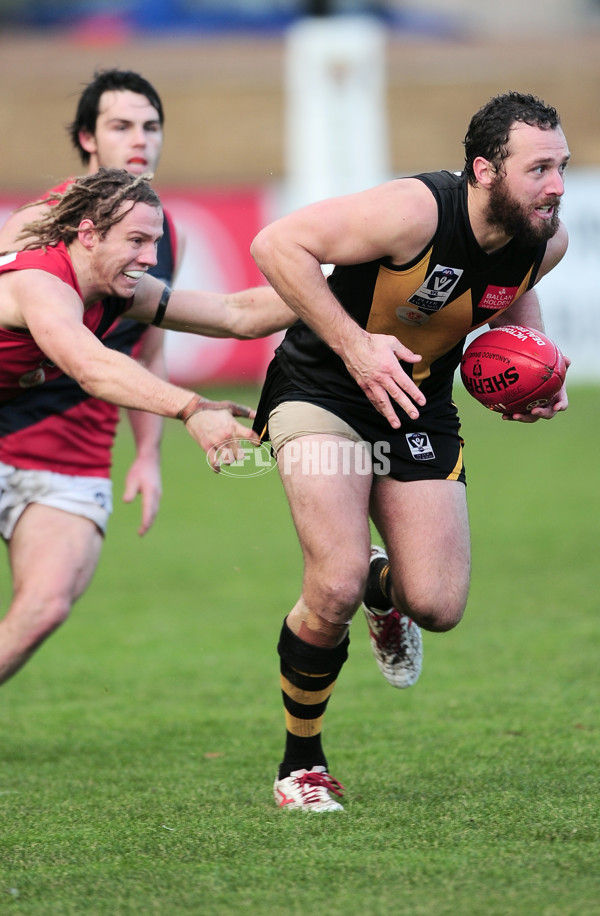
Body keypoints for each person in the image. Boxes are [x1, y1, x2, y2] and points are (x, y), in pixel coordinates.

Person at [249, 90, 570, 811]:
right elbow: (276, 245)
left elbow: (511, 296)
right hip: (323, 388)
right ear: (486, 170)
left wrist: (536, 365)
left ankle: (382, 593)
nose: (556, 185)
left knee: (438, 603)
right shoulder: (414, 210)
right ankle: (302, 764)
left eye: (562, 166)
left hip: (419, 404)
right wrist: (357, 348)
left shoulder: (546, 238)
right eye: (539, 168)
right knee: (330, 583)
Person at [0, 168, 294, 684]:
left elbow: (235, 314)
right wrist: (192, 409)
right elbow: (93, 369)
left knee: (46, 605)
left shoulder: (114, 288)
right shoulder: (41, 283)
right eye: (136, 241)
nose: (150, 258)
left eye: (154, 242)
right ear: (88, 234)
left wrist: (353, 290)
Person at [0, 68, 184, 538]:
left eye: (151, 127)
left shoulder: (160, 235)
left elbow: (149, 350)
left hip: (83, 444)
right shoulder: (40, 222)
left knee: (46, 609)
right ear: (88, 138)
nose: (139, 140)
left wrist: (147, 455)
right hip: (14, 431)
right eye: (121, 127)